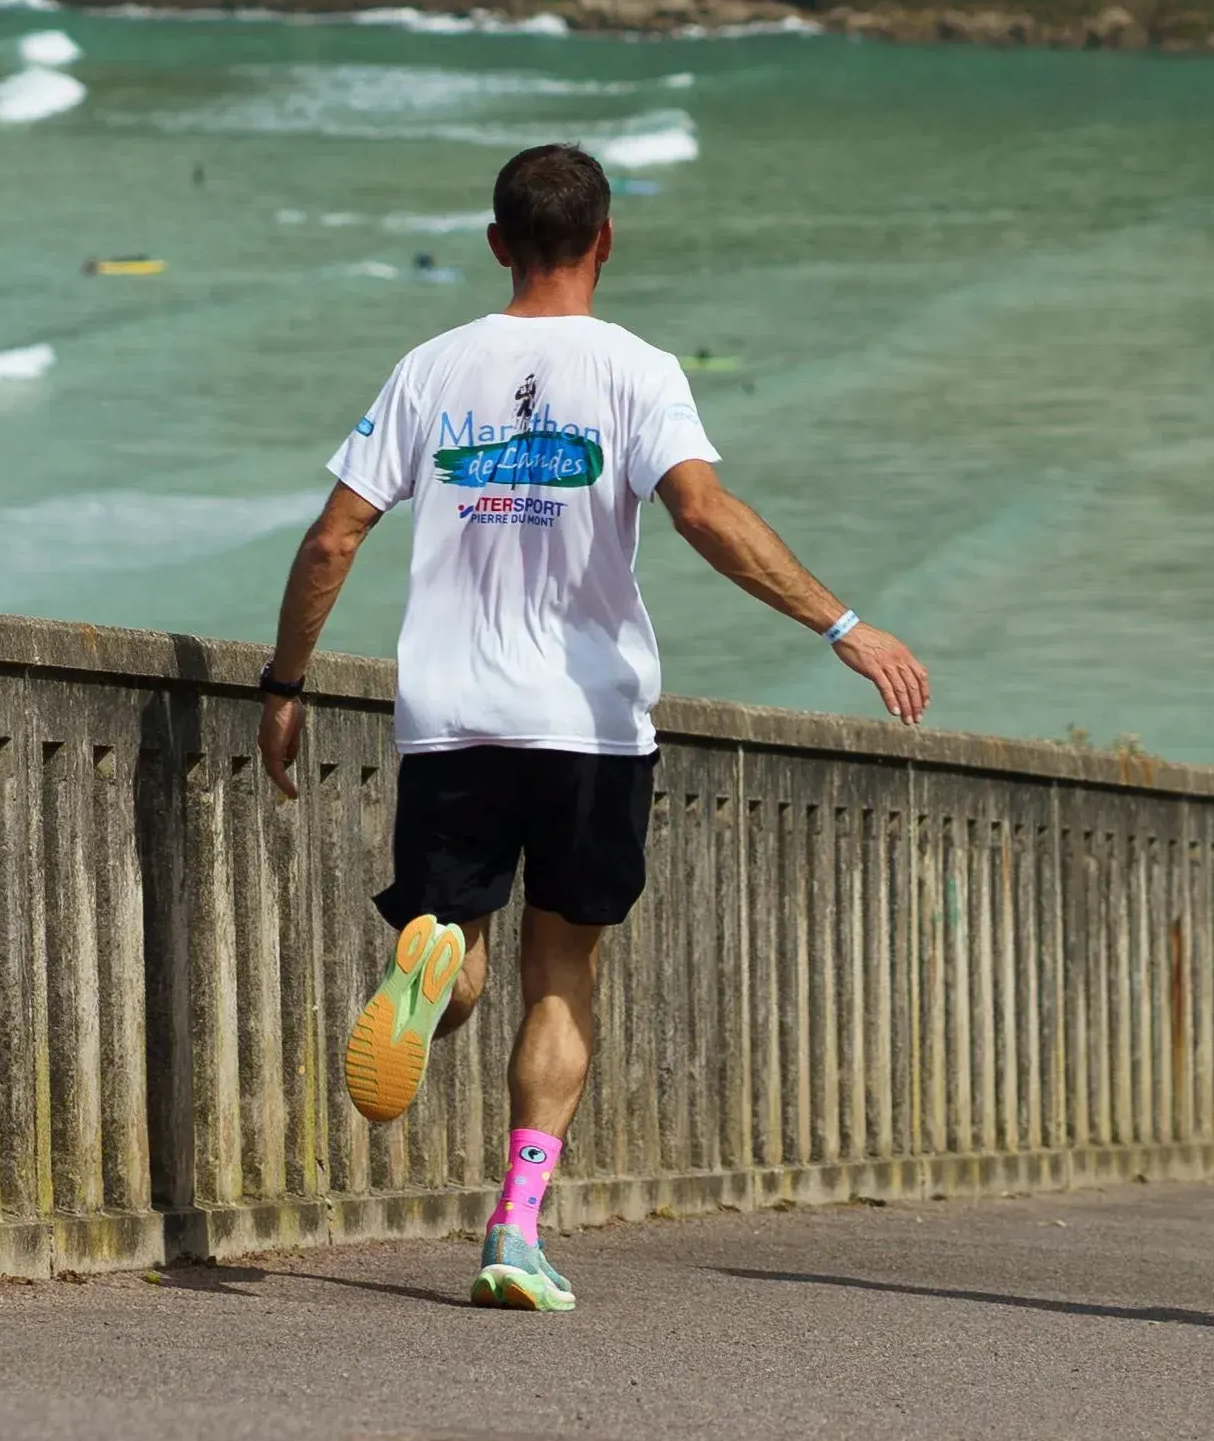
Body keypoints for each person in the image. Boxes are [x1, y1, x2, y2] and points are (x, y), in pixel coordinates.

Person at [257, 140, 929, 1315]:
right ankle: (515, 1229)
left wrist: (284, 683)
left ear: (497, 242)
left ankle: (435, 972)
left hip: (450, 718)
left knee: (459, 939)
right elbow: (704, 512)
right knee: (562, 974)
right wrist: (844, 624)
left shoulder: (431, 366)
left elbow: (331, 539)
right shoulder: (635, 370)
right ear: (606, 241)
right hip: (589, 725)